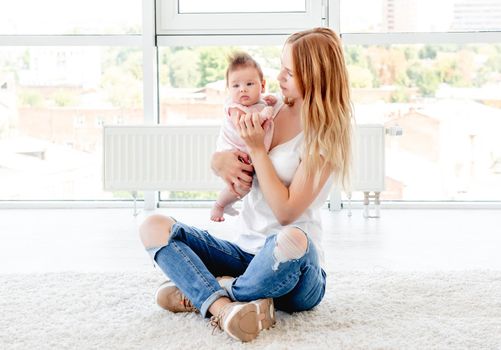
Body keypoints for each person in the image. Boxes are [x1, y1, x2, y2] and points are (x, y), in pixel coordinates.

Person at [138, 27, 353, 343]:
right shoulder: (271, 106)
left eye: (289, 72)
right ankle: (227, 309)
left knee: (292, 239)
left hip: (295, 270)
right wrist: (218, 161)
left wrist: (256, 149)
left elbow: (286, 212)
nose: (279, 77)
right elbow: (227, 148)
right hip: (245, 255)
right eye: (281, 67)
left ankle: (206, 291)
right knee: (153, 226)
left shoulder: (325, 135)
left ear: (315, 76)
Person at [210, 51, 281, 222]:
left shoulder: (259, 102)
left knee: (247, 185)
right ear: (228, 89)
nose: (242, 89)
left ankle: (227, 204)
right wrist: (265, 114)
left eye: (249, 84)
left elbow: (264, 103)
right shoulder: (234, 108)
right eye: (235, 86)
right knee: (242, 185)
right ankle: (220, 204)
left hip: (249, 152)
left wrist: (268, 102)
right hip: (234, 153)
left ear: (262, 86)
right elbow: (243, 124)